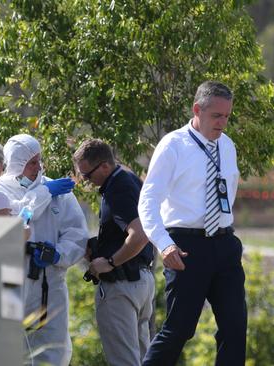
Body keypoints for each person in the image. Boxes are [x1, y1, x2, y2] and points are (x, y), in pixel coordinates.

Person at [138, 81, 246, 365]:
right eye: (216, 116)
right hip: (185, 247)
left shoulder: (228, 146)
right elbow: (148, 201)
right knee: (179, 330)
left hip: (224, 245)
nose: (222, 123)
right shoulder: (173, 145)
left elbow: (228, 194)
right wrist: (164, 245)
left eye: (227, 116)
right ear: (197, 110)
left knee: (235, 329)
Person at [0, 134, 88, 366]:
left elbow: (77, 234)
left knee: (53, 349)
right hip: (10, 283)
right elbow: (20, 218)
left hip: (49, 284)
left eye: (39, 160)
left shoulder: (61, 194)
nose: (38, 167)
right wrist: (43, 193)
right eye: (31, 162)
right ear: (16, 164)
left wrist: (59, 253)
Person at [73, 138, 155, 366]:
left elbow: (139, 234)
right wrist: (99, 245)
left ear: (105, 166)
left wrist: (109, 261)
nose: (86, 182)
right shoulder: (129, 180)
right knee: (141, 358)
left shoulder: (118, 189)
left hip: (122, 285)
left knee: (124, 362)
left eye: (88, 176)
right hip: (141, 281)